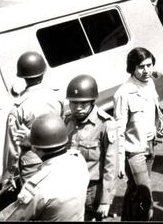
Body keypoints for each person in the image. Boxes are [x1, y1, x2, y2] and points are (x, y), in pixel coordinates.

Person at [0, 114, 89, 222]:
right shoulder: (78, 159)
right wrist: (34, 139)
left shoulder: (36, 189)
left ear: (34, 149)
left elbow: (7, 220)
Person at [114, 47, 163, 221]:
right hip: (134, 151)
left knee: (135, 189)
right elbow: (119, 130)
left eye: (149, 65)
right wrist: (120, 162)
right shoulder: (123, 93)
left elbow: (154, 109)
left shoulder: (149, 83)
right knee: (146, 197)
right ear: (132, 68)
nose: (146, 71)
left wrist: (160, 126)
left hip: (150, 145)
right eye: (141, 67)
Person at [63, 74, 121, 222]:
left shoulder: (105, 124)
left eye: (83, 103)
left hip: (91, 190)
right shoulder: (67, 121)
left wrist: (105, 201)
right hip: (68, 186)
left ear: (93, 101)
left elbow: (111, 165)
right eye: (73, 103)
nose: (78, 108)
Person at [3, 51, 64, 190]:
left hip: (32, 162)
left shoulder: (19, 107)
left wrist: (9, 175)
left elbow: (13, 145)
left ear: (23, 77)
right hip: (58, 155)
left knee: (34, 203)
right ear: (43, 71)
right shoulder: (57, 96)